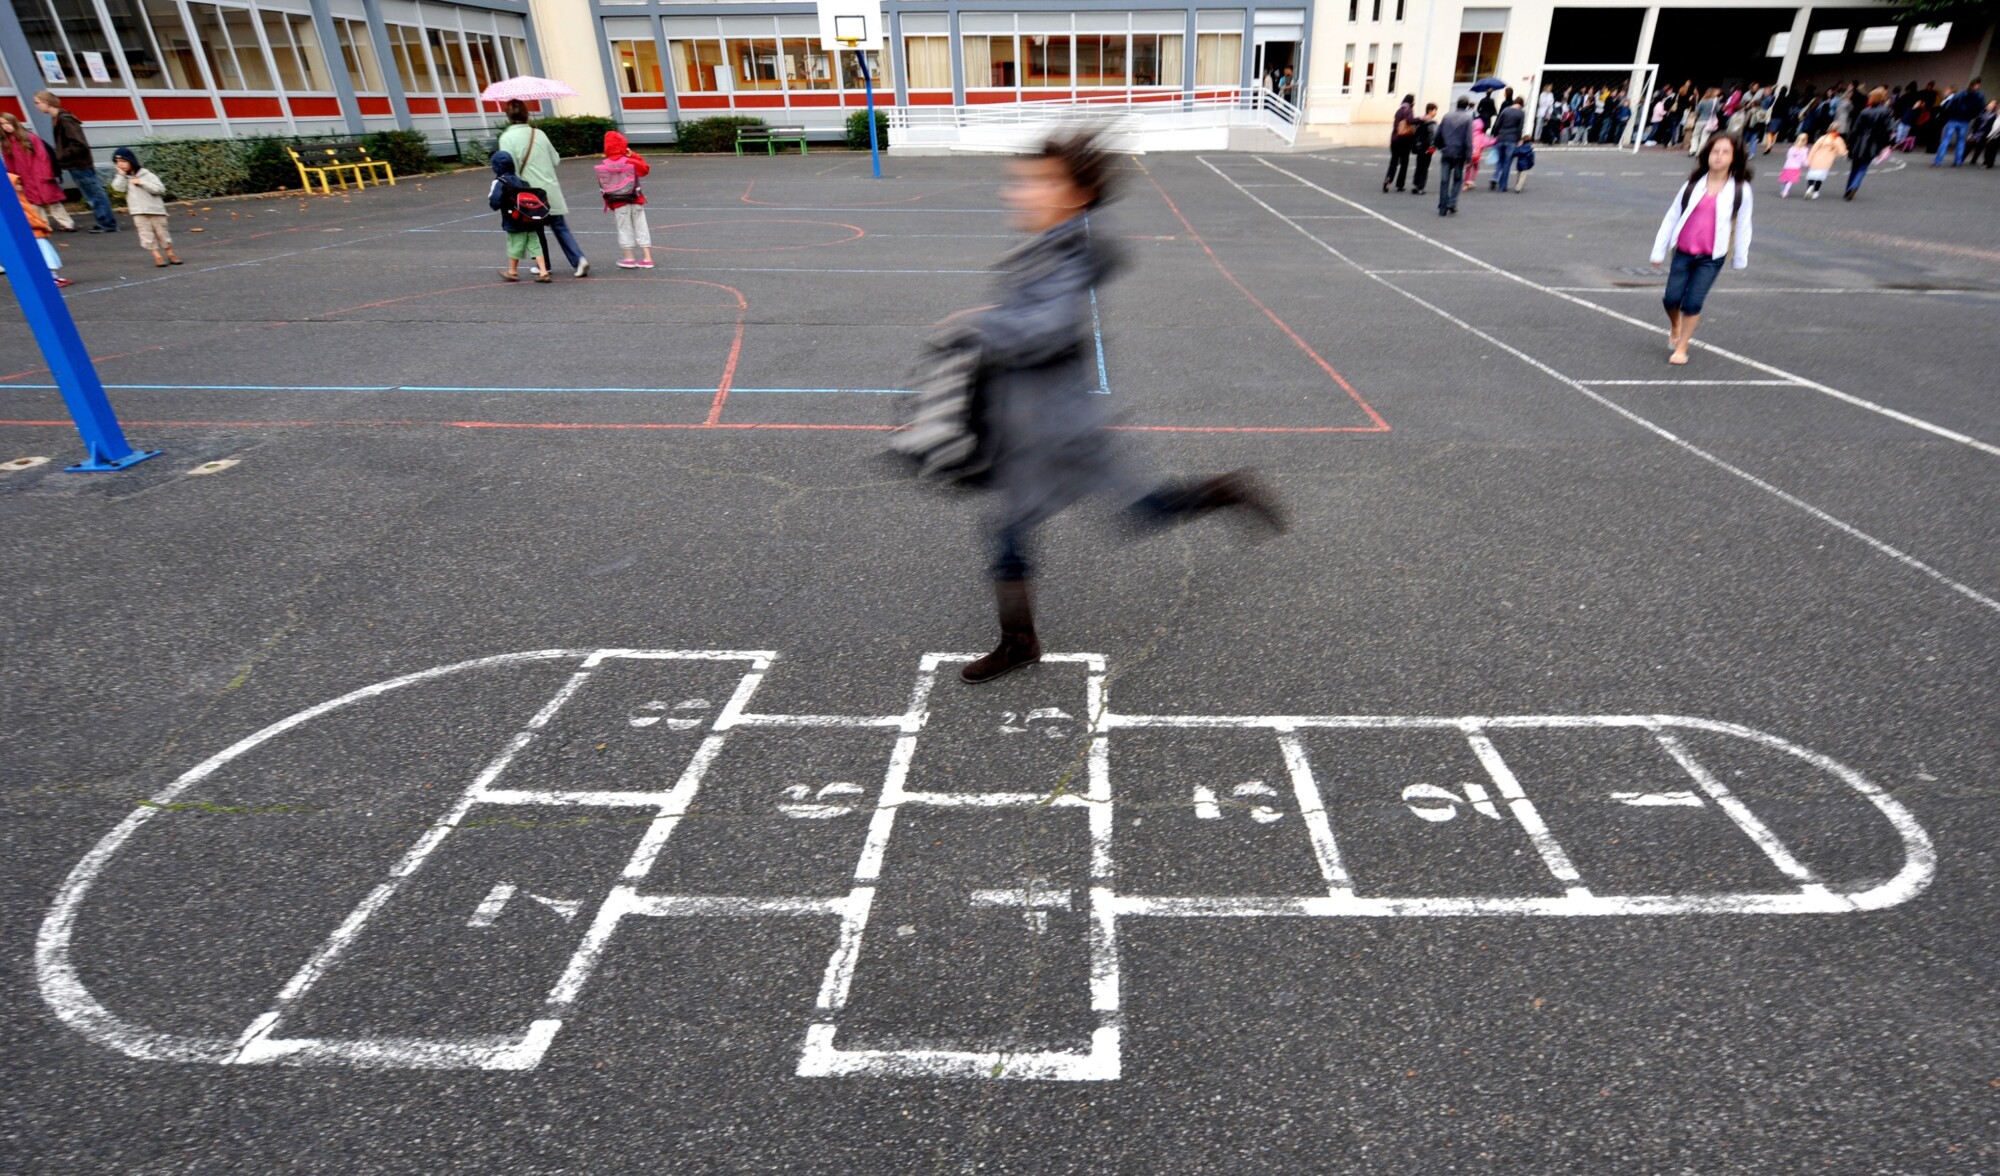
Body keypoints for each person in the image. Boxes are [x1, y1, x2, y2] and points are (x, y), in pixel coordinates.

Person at [937, 130, 1284, 684]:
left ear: (1077, 196)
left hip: (1066, 434)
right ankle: (1019, 642)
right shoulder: (1047, 248)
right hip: (1034, 428)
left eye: (1039, 183)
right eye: (1021, 182)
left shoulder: (1069, 254)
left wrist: (983, 327)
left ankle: (1225, 491)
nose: (1020, 192)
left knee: (1137, 513)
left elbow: (1047, 327)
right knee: (1009, 530)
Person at [1650, 132, 1752, 366]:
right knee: (1671, 299)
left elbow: (1744, 224)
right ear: (1707, 154)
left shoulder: (1740, 189)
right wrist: (1658, 250)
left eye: (1725, 152)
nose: (1719, 156)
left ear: (1734, 158)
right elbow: (1672, 216)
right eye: (1715, 151)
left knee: (1693, 303)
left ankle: (1682, 346)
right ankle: (1675, 324)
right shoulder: (1693, 185)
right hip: (1683, 252)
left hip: (1711, 257)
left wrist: (1740, 257)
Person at [496, 99, 588, 278]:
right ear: (527, 115)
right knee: (560, 226)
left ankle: (544, 265)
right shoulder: (539, 134)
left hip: (528, 192)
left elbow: (508, 168)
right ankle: (579, 259)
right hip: (549, 188)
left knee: (535, 228)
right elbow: (555, 159)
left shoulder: (506, 138)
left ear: (508, 117)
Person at [32, 91, 114, 233]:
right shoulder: (59, 119)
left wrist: (60, 156)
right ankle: (104, 221)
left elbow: (79, 144)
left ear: (46, 102)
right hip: (76, 164)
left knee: (94, 194)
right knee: (92, 194)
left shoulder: (65, 120)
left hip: (79, 164)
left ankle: (107, 223)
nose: (36, 106)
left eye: (37, 102)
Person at [0, 111, 71, 232]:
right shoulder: (6, 142)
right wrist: (15, 180)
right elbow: (9, 163)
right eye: (2, 124)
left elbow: (43, 157)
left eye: (7, 123)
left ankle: (67, 223)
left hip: (40, 173)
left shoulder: (30, 137)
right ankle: (43, 225)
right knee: (34, 203)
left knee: (52, 201)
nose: (5, 126)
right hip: (25, 176)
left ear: (14, 122)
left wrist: (47, 174)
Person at [109, 147, 180, 267]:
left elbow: (160, 189)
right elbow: (118, 188)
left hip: (155, 210)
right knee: (146, 235)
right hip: (138, 212)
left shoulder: (147, 174)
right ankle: (157, 256)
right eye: (117, 162)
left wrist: (141, 182)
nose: (120, 165)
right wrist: (121, 175)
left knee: (162, 233)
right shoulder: (124, 178)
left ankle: (170, 253)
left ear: (131, 161)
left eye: (123, 161)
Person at [487, 150, 551, 283]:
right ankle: (543, 271)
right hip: (529, 218)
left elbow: (494, 202)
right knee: (535, 245)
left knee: (515, 245)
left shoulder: (500, 182)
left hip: (513, 219)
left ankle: (512, 271)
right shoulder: (522, 181)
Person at [595, 131, 653, 269]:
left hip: (618, 202)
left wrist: (610, 204)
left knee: (624, 228)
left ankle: (629, 258)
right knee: (641, 227)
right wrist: (633, 155)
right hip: (636, 199)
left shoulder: (604, 164)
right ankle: (647, 258)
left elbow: (604, 186)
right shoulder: (630, 161)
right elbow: (645, 169)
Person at [10, 171, 72, 286]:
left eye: (20, 184)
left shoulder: (22, 200)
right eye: (16, 184)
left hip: (37, 233)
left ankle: (54, 277)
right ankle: (49, 278)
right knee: (45, 256)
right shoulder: (16, 203)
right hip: (34, 234)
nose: (20, 186)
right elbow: (29, 219)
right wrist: (42, 225)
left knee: (47, 255)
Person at [1844, 87, 1895, 200]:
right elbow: (1888, 129)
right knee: (1863, 167)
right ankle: (1855, 186)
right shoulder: (1886, 111)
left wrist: (1849, 142)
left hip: (1859, 142)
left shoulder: (1864, 111)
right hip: (1873, 142)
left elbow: (1855, 129)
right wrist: (1886, 143)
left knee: (1854, 167)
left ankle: (1848, 190)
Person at [1435, 97, 1475, 216]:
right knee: (1457, 179)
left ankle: (1443, 207)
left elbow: (1438, 134)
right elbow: (1468, 140)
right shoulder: (1467, 119)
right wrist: (1469, 156)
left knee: (1444, 180)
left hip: (1447, 151)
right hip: (1459, 153)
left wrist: (1440, 146)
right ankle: (1452, 202)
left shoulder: (1447, 116)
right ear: (1466, 106)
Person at [1933, 78, 1984, 166]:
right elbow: (1981, 108)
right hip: (1965, 121)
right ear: (1978, 85)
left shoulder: (1961, 93)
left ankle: (1938, 161)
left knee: (1946, 140)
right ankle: (1958, 161)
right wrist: (1971, 116)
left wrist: (1950, 114)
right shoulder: (1979, 96)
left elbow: (1950, 105)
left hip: (1954, 119)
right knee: (1961, 141)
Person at [1384, 94, 1418, 192]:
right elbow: (1410, 120)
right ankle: (1400, 184)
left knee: (1393, 162)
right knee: (1404, 163)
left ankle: (1388, 179)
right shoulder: (1408, 109)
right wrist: (1420, 119)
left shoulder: (1399, 110)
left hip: (1395, 140)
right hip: (1404, 140)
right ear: (1411, 101)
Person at [1492, 97, 1527, 192]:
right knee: (1507, 163)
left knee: (1500, 160)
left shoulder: (1505, 110)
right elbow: (1520, 128)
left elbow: (1497, 124)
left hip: (1501, 137)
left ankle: (1494, 177)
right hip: (1512, 139)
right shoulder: (1521, 113)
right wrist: (1519, 139)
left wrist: (1496, 135)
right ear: (1521, 104)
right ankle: (1502, 186)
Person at [1803, 126, 1845, 197]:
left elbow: (1814, 148)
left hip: (1816, 159)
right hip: (1826, 161)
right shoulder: (1837, 139)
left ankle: (1810, 187)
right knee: (1820, 177)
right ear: (1837, 130)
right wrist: (1844, 153)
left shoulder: (1823, 138)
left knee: (1812, 175)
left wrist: (1809, 159)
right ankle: (1816, 192)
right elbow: (1842, 151)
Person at [1411, 102, 1439, 195]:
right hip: (1427, 148)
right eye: (1435, 110)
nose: (1435, 112)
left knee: (1419, 166)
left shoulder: (1420, 121)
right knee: (1425, 167)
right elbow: (1435, 136)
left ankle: (1415, 185)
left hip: (1419, 147)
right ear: (1430, 110)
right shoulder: (1432, 123)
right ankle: (1421, 187)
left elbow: (1415, 133)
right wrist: (1432, 150)